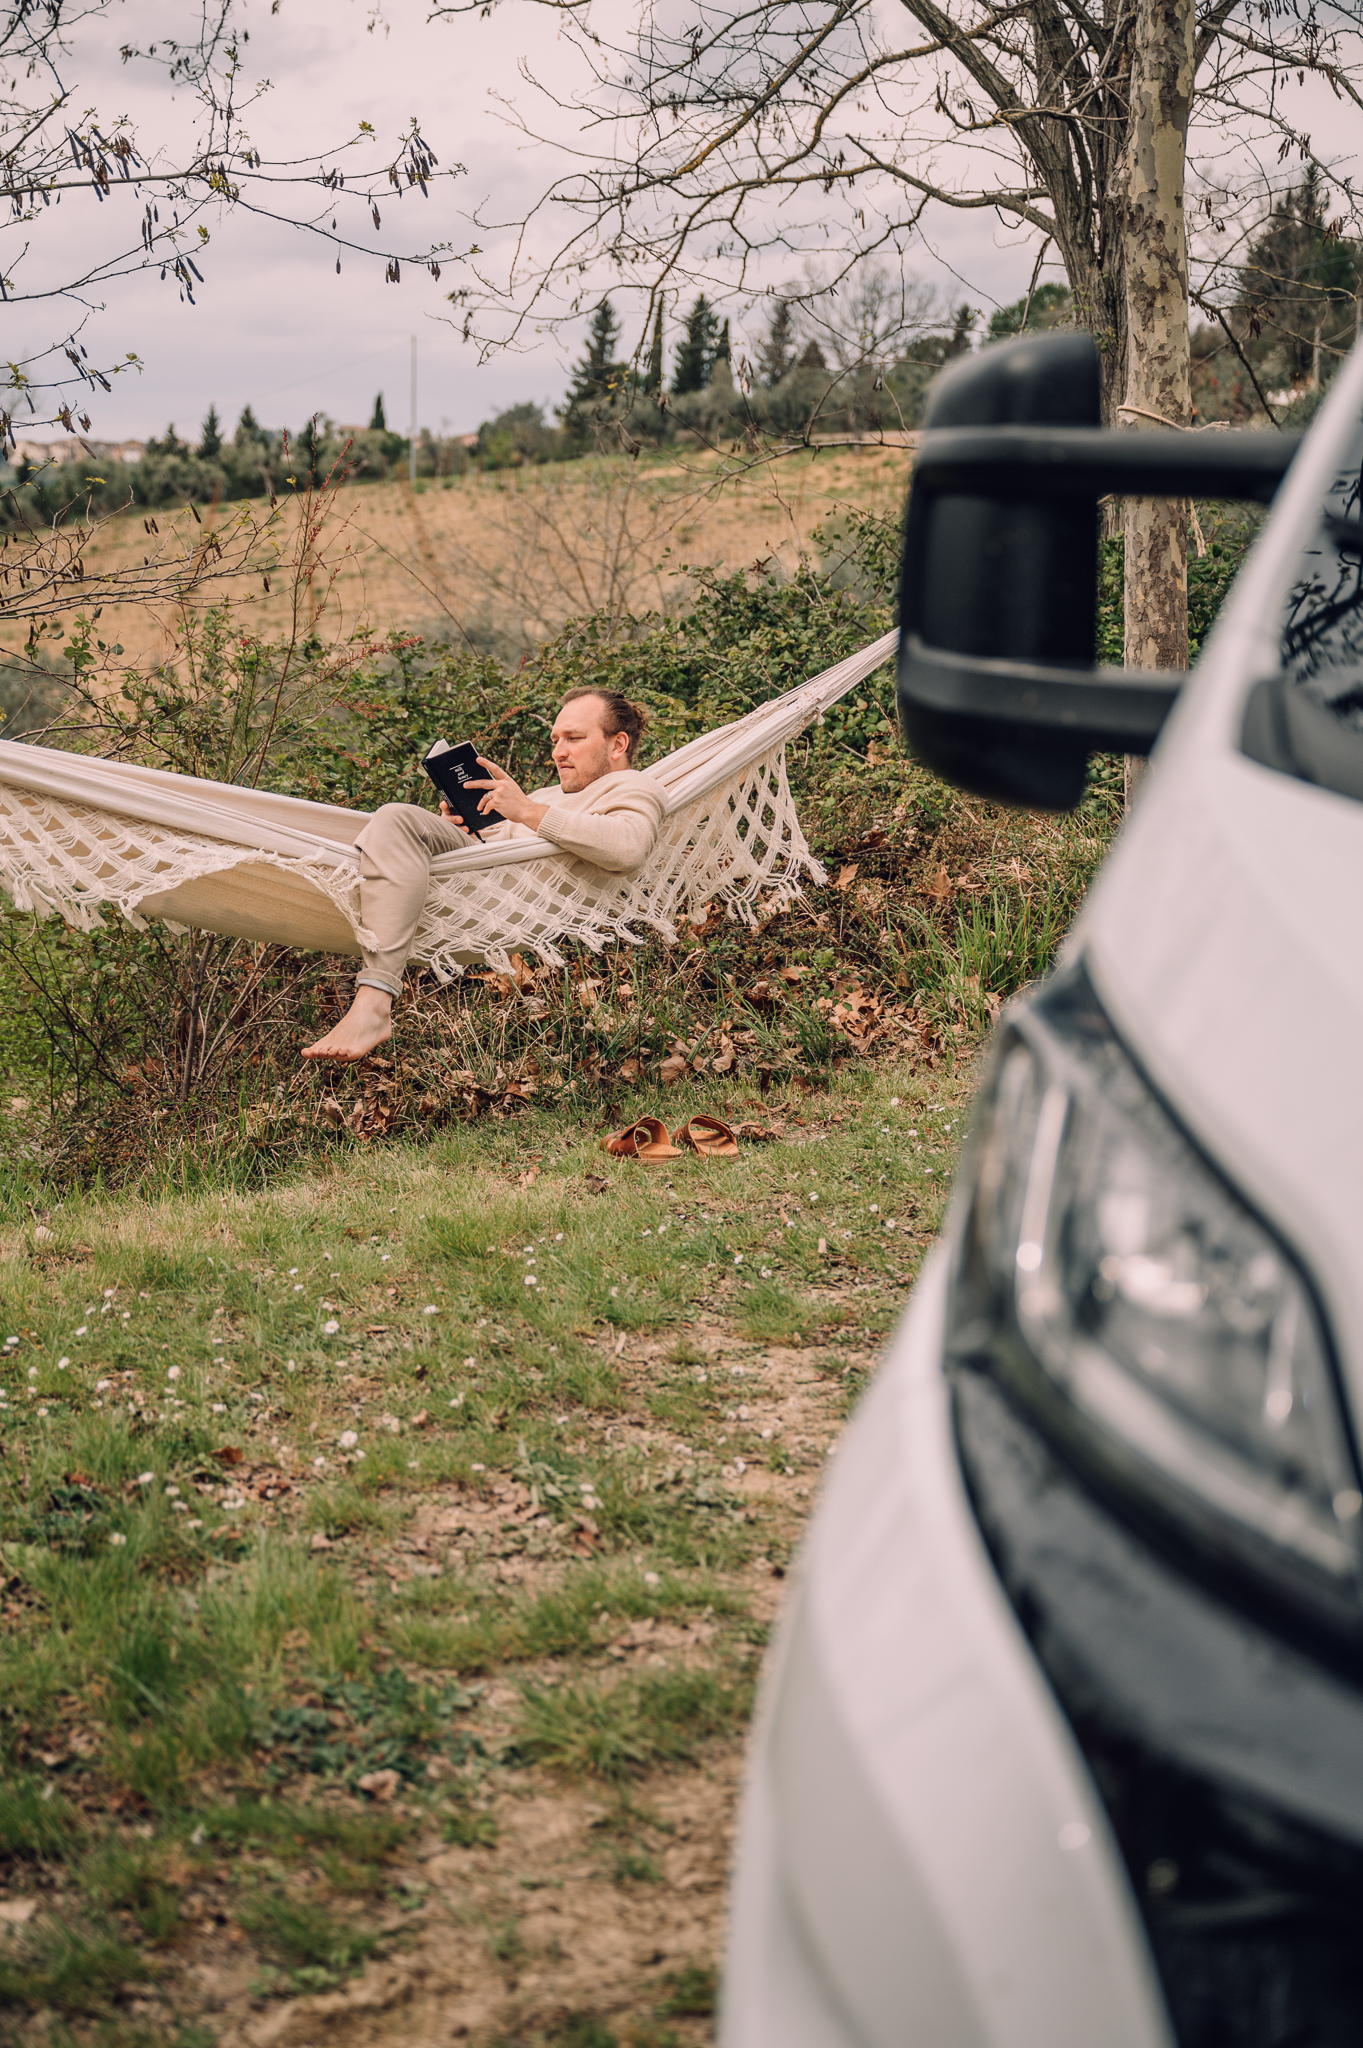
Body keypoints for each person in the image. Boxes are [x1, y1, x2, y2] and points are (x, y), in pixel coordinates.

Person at [302, 687, 663, 1060]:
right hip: (485, 879)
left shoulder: (635, 786)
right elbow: (502, 846)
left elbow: (628, 848)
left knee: (396, 817)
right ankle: (373, 998)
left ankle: (374, 1002)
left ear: (617, 744)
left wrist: (525, 810)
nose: (558, 752)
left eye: (573, 738)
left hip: (515, 900)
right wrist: (462, 829)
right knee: (395, 823)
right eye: (555, 740)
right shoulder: (548, 795)